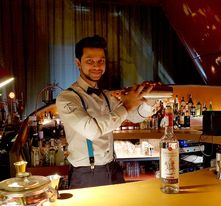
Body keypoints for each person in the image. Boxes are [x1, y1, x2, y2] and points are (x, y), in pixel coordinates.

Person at [56, 35, 155, 189]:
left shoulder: (106, 96)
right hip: (87, 174)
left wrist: (149, 99)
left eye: (101, 61)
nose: (96, 66)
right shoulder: (67, 98)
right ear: (78, 63)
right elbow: (92, 130)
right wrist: (127, 105)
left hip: (113, 168)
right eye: (90, 61)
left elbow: (135, 117)